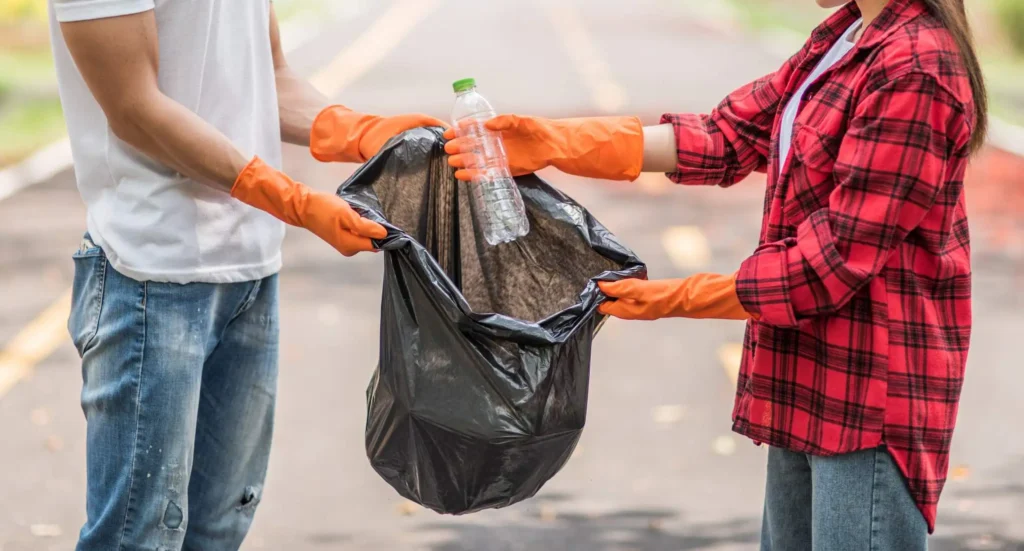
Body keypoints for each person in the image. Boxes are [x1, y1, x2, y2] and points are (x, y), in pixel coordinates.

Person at [445, 0, 984, 548]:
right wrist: (556, 144)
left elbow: (832, 263)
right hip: (806, 382)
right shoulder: (845, 36)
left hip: (869, 399)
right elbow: (728, 137)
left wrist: (675, 298)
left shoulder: (916, 66)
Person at [48, 0, 444, 549]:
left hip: (249, 269)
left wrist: (360, 132)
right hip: (151, 274)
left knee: (218, 529)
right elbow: (134, 108)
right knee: (137, 536)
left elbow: (269, 76)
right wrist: (294, 201)